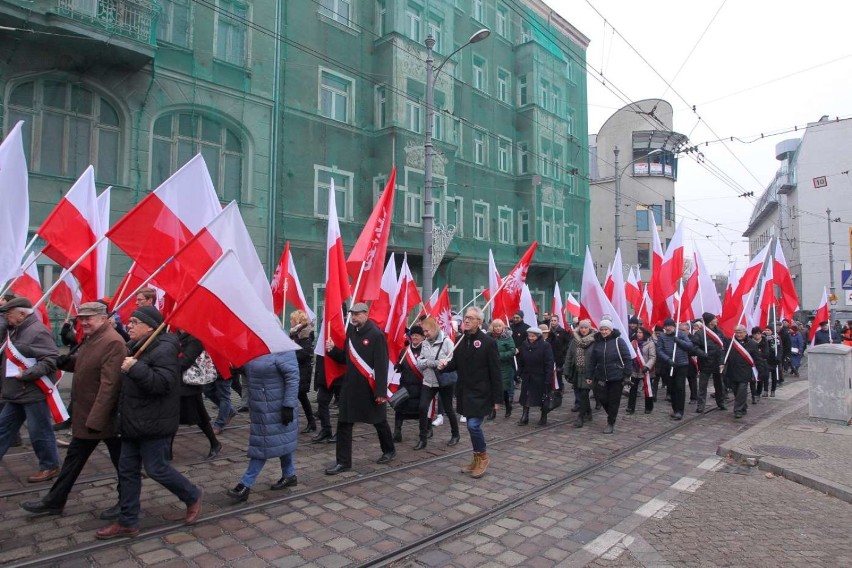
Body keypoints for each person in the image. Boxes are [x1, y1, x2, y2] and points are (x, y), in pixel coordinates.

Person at [96, 305, 202, 539]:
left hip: (155, 422)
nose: (129, 326)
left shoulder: (164, 349)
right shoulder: (137, 346)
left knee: (157, 469)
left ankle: (192, 494)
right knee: (127, 471)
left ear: (150, 327)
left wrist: (135, 368)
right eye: (129, 321)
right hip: (133, 421)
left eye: (134, 322)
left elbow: (162, 384)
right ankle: (127, 521)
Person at [20, 302, 124, 519]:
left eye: (89, 318)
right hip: (88, 413)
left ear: (103, 318)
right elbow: (87, 364)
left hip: (101, 416)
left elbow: (110, 385)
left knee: (123, 463)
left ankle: (127, 503)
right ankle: (55, 501)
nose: (84, 322)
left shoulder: (112, 342)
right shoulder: (93, 337)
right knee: (78, 459)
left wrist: (95, 419)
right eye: (82, 318)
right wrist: (67, 362)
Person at [324, 303, 395, 474]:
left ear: (366, 314)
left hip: (369, 388)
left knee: (379, 421)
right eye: (352, 314)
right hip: (350, 388)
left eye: (357, 314)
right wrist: (333, 350)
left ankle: (389, 450)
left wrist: (380, 392)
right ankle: (343, 462)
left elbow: (381, 365)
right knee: (343, 425)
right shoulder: (351, 333)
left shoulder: (376, 335)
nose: (353, 317)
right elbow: (346, 358)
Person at [0, 297, 61, 482]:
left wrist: (26, 374)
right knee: (2, 428)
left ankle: (50, 466)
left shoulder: (37, 332)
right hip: (16, 392)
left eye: (9, 315)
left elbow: (51, 360)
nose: (7, 319)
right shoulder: (16, 330)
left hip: (33, 391)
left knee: (39, 432)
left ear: (21, 314)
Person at [226, 350, 300, 502]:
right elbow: (252, 370)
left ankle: (245, 484)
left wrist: (289, 405)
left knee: (262, 445)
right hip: (260, 407)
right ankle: (289, 475)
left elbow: (293, 378)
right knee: (282, 439)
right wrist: (239, 367)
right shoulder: (255, 348)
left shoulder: (283, 349)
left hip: (277, 408)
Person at [438, 306, 501, 479]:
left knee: (473, 425)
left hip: (482, 392)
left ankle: (483, 457)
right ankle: (476, 459)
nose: (466, 320)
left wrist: (497, 398)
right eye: (465, 317)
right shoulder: (460, 340)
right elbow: (456, 363)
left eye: (471, 318)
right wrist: (444, 366)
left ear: (479, 322)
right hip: (465, 391)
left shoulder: (488, 343)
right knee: (470, 425)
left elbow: (496, 372)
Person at [175, 331, 221, 460]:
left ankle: (215, 443)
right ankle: (166, 451)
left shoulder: (195, 339)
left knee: (200, 418)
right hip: (177, 384)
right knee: (173, 417)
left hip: (189, 386)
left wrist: (167, 364)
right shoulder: (176, 336)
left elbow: (186, 361)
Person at [415, 318, 459, 449]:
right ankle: (422, 438)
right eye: (424, 331)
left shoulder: (447, 342)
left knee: (448, 409)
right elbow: (420, 362)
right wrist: (432, 362)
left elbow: (452, 361)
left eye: (427, 331)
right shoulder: (425, 343)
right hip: (428, 381)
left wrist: (432, 362)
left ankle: (455, 434)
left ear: (434, 329)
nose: (425, 334)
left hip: (444, 381)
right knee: (422, 407)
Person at [588, 319, 631, 434]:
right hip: (601, 376)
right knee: (601, 397)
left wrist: (627, 374)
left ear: (611, 330)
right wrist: (589, 375)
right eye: (602, 329)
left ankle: (610, 422)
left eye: (606, 329)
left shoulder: (619, 341)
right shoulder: (598, 342)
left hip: (616, 377)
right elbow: (593, 360)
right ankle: (611, 414)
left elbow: (627, 358)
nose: (604, 331)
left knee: (614, 401)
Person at [656, 318, 700, 421]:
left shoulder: (680, 334)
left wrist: (679, 341)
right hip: (669, 365)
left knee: (679, 387)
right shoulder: (662, 336)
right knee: (671, 388)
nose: (667, 328)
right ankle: (675, 409)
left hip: (681, 364)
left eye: (669, 326)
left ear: (673, 326)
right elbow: (659, 350)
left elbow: (689, 346)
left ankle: (680, 411)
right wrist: (667, 359)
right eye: (666, 326)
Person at [393, 324, 426, 446]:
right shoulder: (405, 350)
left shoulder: (425, 350)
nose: (415, 337)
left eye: (417, 335)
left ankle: (426, 431)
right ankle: (397, 432)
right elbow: (400, 364)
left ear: (423, 337)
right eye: (413, 335)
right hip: (405, 385)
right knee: (399, 408)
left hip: (420, 386)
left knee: (422, 410)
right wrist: (398, 366)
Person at [516, 326, 555, 426]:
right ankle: (525, 416)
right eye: (529, 336)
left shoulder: (545, 346)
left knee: (542, 397)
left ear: (538, 336)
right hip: (527, 375)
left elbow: (549, 363)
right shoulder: (524, 345)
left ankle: (543, 416)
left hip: (540, 376)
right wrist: (519, 372)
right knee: (526, 396)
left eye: (533, 336)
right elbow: (521, 360)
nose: (531, 338)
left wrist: (548, 378)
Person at [690, 314, 727, 413]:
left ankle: (721, 402)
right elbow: (694, 347)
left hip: (717, 363)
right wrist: (702, 354)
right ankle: (701, 405)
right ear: (710, 321)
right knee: (702, 386)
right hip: (705, 363)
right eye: (714, 318)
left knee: (719, 385)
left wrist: (722, 361)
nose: (716, 320)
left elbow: (723, 348)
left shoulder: (719, 332)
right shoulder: (700, 333)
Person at [724, 324, 761, 420]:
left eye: (740, 332)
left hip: (745, 371)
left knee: (742, 390)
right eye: (736, 332)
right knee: (736, 391)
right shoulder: (731, 342)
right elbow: (724, 354)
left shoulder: (752, 344)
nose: (738, 334)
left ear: (745, 332)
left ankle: (738, 410)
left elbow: (757, 358)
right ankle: (743, 406)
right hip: (732, 370)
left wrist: (760, 371)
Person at [288, 310, 317, 434]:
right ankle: (311, 422)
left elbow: (304, 354)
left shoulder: (305, 336)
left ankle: (310, 422)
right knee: (301, 397)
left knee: (300, 395)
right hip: (297, 370)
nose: (290, 322)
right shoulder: (296, 335)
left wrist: (292, 350)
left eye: (292, 320)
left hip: (303, 371)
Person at [564, 320, 596, 428]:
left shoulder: (595, 340)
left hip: (589, 373)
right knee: (582, 394)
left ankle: (580, 417)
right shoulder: (574, 340)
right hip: (577, 371)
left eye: (585, 328)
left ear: (589, 328)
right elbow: (569, 355)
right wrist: (566, 371)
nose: (583, 330)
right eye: (582, 328)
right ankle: (588, 412)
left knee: (584, 394)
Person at [489, 319, 516, 418]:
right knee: (492, 389)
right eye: (495, 326)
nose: (497, 328)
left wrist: (499, 356)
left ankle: (508, 406)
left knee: (503, 389)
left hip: (504, 367)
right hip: (491, 367)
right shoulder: (488, 337)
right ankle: (493, 410)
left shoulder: (507, 337)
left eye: (499, 326)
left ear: (503, 327)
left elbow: (512, 351)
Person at [626, 327, 656, 414]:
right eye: (638, 332)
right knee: (633, 389)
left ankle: (648, 407)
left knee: (647, 389)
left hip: (646, 370)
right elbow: (630, 354)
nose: (638, 334)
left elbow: (652, 357)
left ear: (645, 333)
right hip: (635, 370)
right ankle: (630, 407)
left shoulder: (650, 344)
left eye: (640, 332)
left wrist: (647, 366)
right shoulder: (633, 343)